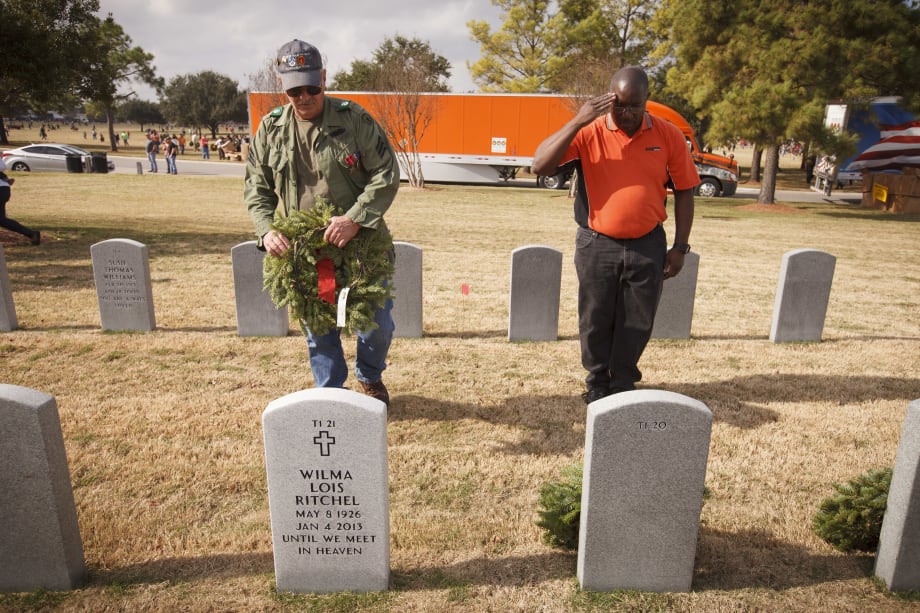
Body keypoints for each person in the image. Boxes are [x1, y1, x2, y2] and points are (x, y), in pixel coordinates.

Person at [244, 39, 400, 405]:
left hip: (359, 246)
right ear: (283, 86)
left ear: (324, 79)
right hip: (312, 254)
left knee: (377, 324)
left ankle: (369, 374)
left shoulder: (354, 119)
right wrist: (266, 229)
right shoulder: (271, 129)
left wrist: (355, 219)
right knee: (320, 326)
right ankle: (332, 396)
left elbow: (386, 173)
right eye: (295, 89)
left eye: (311, 87)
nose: (304, 97)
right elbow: (257, 187)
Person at [532, 66, 699, 404]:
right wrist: (578, 120)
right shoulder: (589, 131)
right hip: (597, 242)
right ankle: (596, 381)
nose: (625, 113)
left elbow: (685, 191)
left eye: (634, 106)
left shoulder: (667, 135)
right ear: (609, 100)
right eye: (618, 105)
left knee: (638, 319)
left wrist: (680, 246)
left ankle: (623, 381)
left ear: (646, 101)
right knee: (595, 316)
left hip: (648, 242)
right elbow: (540, 165)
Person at [0, 159, 40, 245]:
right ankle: (32, 234)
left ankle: (31, 234)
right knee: (2, 220)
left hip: (1, 189)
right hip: (3, 188)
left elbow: (2, 166)